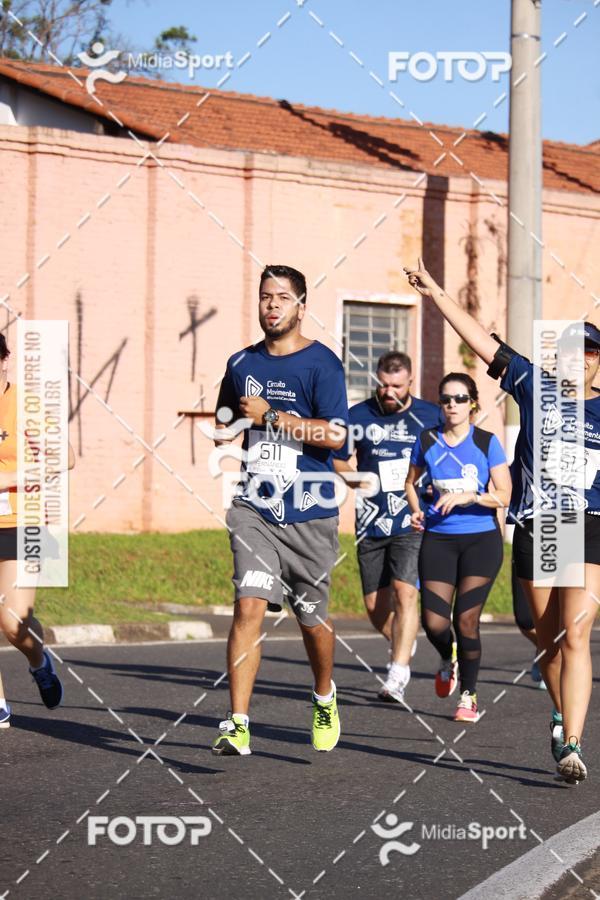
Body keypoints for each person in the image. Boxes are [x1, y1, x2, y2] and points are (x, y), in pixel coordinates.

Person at [404, 257, 600, 782]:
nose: (579, 361)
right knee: (551, 640)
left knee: (578, 634)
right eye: (571, 352)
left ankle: (574, 745)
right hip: (545, 526)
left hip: (590, 524)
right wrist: (437, 292)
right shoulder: (538, 388)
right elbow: (483, 343)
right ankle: (558, 714)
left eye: (590, 353)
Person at [211, 264, 348, 756]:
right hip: (255, 507)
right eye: (266, 296)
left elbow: (336, 435)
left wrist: (271, 415)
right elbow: (227, 416)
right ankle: (238, 723)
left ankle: (324, 694)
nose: (272, 305)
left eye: (282, 298)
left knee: (311, 621)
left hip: (310, 513)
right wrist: (226, 426)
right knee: (249, 603)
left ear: (301, 306)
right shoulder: (241, 362)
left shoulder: (322, 365)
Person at [333, 350, 441, 703]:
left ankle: (397, 673)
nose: (389, 391)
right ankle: (414, 648)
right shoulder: (358, 415)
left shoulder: (429, 416)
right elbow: (337, 457)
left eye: (396, 385)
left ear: (410, 382)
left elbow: (448, 455)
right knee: (376, 609)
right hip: (370, 522)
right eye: (383, 384)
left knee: (406, 591)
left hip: (413, 518)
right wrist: (357, 480)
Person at [405, 372, 512, 723]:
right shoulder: (427, 440)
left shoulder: (486, 442)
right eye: (446, 399)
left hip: (481, 539)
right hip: (439, 538)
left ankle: (468, 695)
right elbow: (411, 483)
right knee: (434, 623)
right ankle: (445, 656)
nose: (452, 405)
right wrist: (417, 509)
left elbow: (505, 495)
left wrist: (471, 495)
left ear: (473, 404)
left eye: (460, 399)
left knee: (465, 619)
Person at [0, 334, 75, 728]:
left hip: (24, 519)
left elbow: (68, 458)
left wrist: (16, 475)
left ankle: (39, 661)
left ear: (5, 362)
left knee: (13, 623)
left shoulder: (25, 406)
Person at [512, 558, 546, 689]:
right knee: (524, 619)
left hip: (563, 545)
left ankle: (550, 660)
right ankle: (545, 649)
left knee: (566, 624)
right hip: (528, 546)